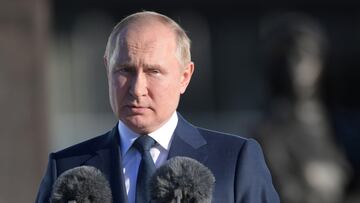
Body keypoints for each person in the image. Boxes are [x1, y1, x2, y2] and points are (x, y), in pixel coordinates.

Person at [36, 11, 279, 203]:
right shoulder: (66, 168)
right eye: (125, 70)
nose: (137, 88)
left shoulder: (236, 161)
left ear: (184, 76)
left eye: (153, 71)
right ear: (107, 70)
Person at [254, 13, 350, 203]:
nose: (297, 67)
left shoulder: (341, 129)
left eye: (307, 56)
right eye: (290, 57)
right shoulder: (267, 134)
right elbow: (285, 192)